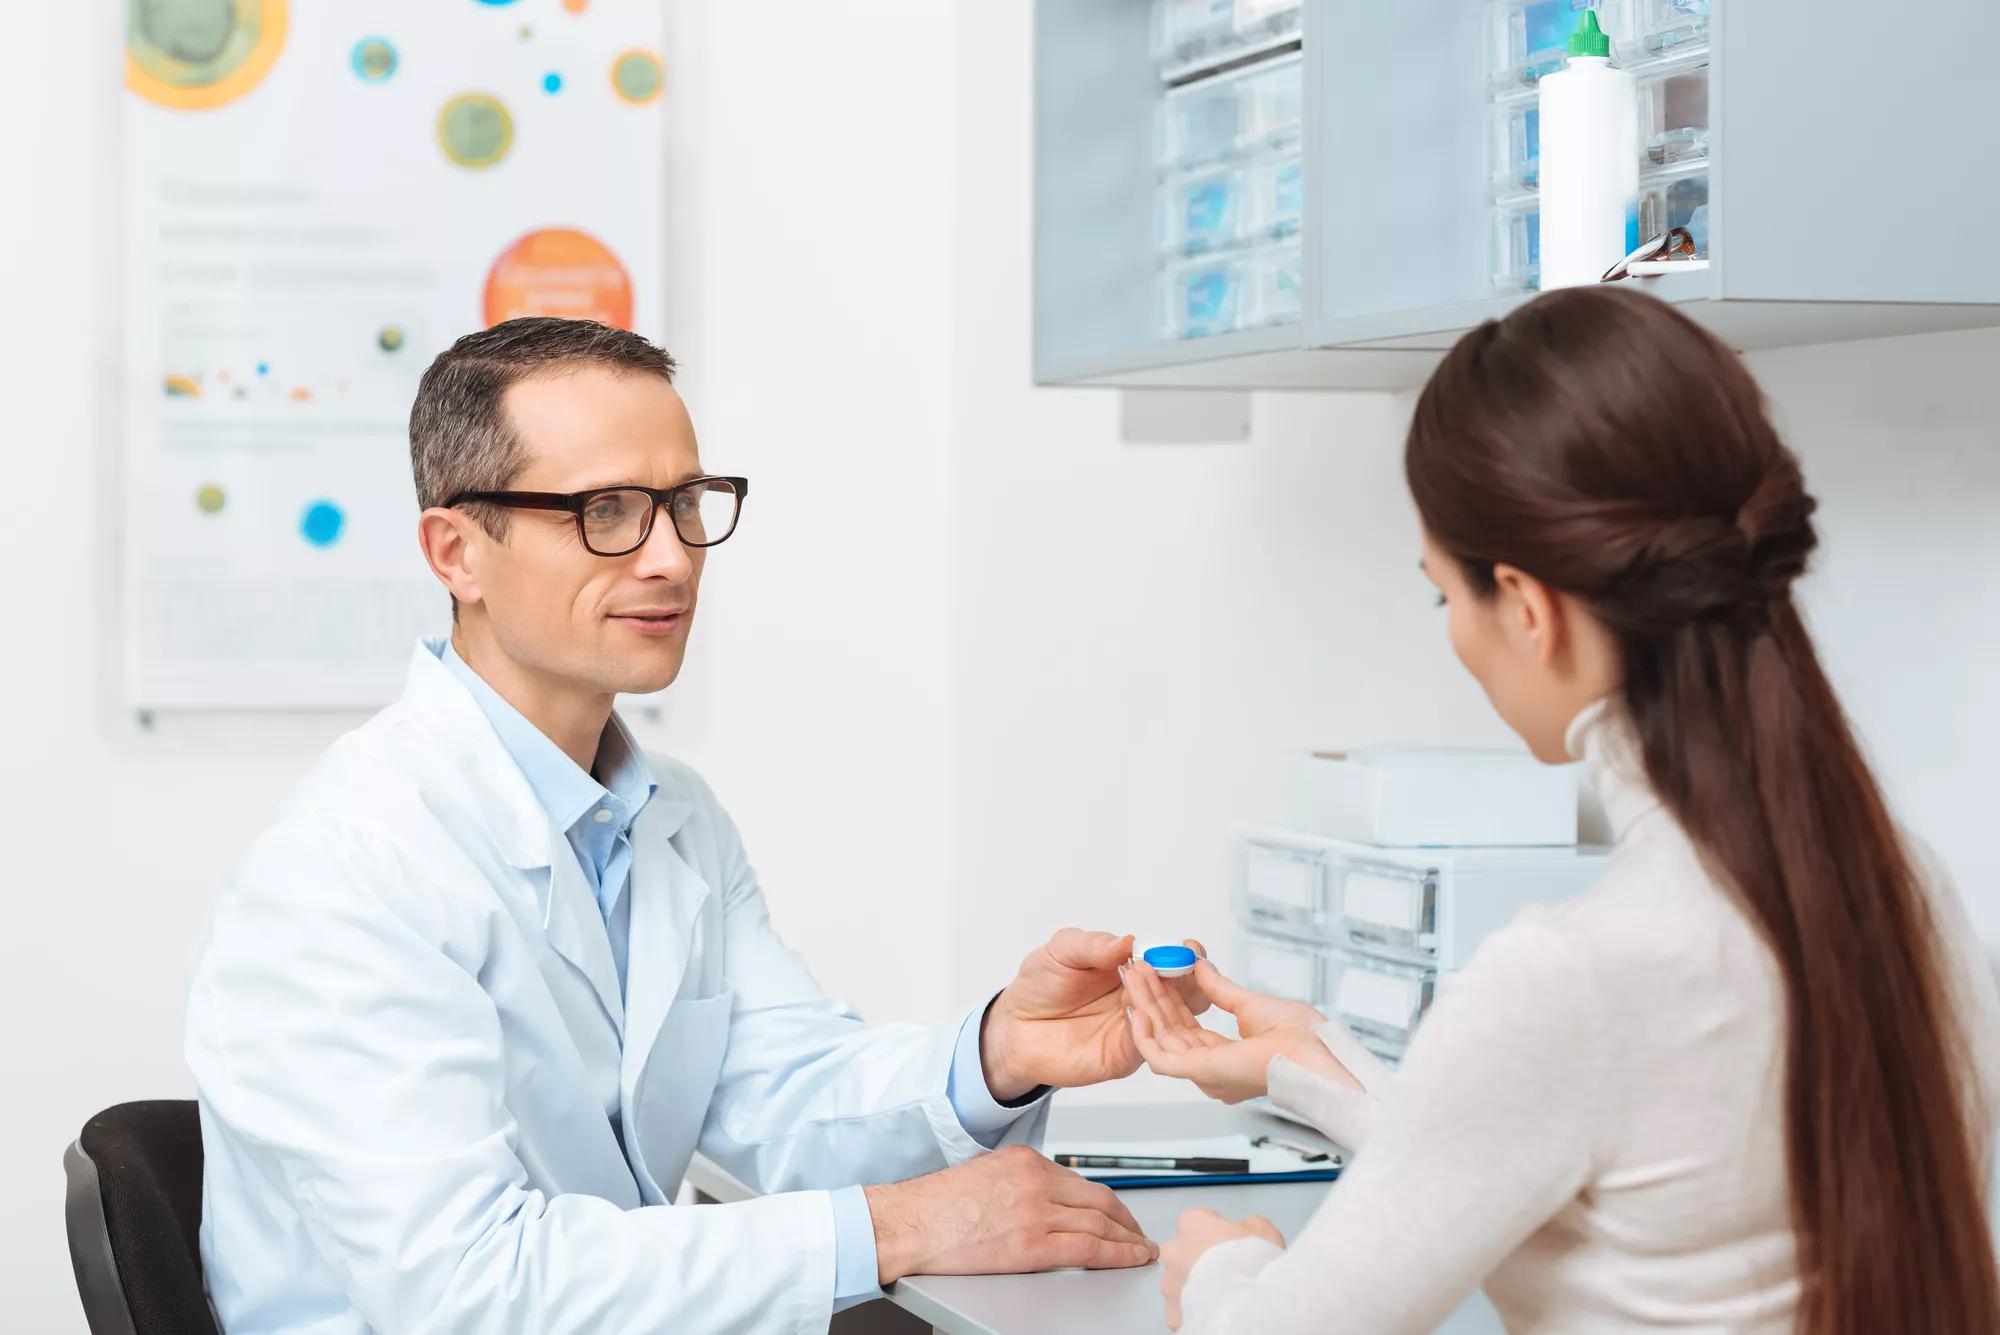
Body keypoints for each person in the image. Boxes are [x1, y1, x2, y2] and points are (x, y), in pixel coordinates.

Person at [185, 317, 1193, 1334]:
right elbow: (466, 1288)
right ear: (457, 552)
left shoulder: (669, 817)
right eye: (605, 510)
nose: (669, 556)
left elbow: (782, 1099)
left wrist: (996, 1055)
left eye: (683, 503)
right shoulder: (346, 868)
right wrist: (891, 1228)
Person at [1124, 286, 2000, 1334]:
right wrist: (1305, 1062)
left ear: (1528, 609)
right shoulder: (1901, 885)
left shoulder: (1573, 975)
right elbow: (1577, 1143)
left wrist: (1227, 1271)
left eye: (1442, 595)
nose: (1451, 631)